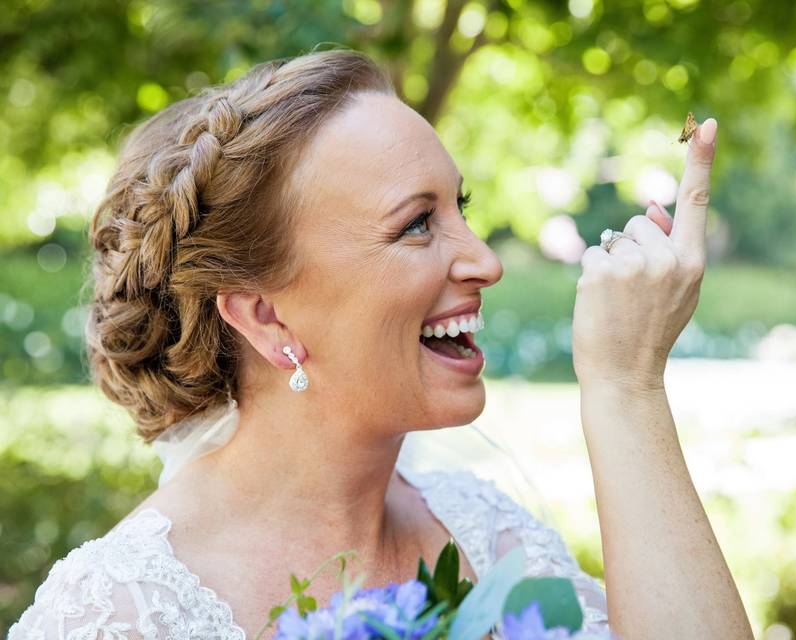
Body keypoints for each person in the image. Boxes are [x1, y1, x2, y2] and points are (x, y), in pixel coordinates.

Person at [7, 48, 752, 639]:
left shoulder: (483, 534)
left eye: (458, 207)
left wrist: (626, 385)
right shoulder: (116, 615)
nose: (486, 261)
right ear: (266, 316)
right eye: (417, 224)